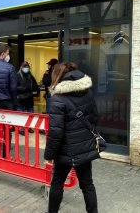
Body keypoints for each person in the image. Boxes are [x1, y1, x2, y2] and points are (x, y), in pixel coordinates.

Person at [44, 62, 99, 213]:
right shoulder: (87, 93)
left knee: (57, 183)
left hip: (65, 150)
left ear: (58, 76)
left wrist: (49, 155)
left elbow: (55, 132)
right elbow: (95, 117)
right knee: (87, 184)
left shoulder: (57, 99)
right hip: (84, 147)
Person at [16, 61, 39, 135]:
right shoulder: (17, 76)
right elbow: (15, 87)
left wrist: (36, 90)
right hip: (21, 99)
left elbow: (35, 85)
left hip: (29, 98)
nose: (26, 68)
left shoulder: (30, 76)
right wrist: (24, 88)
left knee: (30, 114)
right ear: (21, 67)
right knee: (21, 114)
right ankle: (21, 128)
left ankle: (29, 127)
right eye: (24, 67)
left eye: (27, 67)